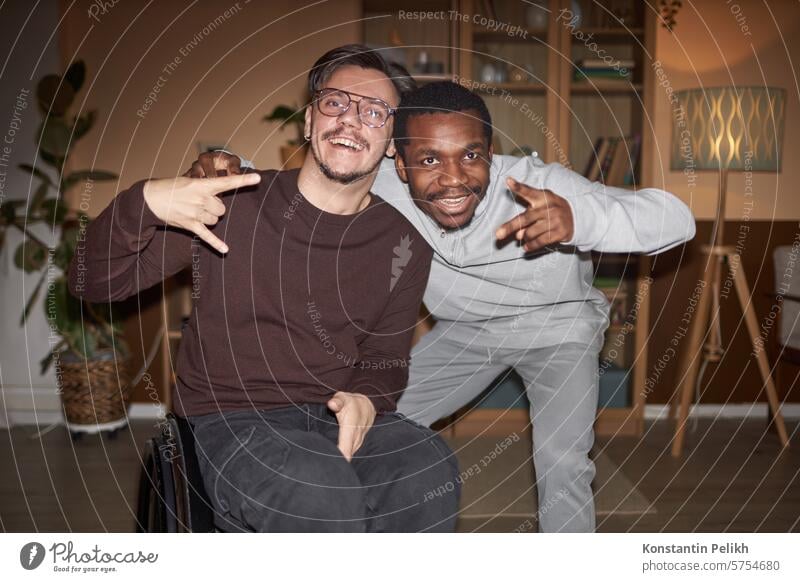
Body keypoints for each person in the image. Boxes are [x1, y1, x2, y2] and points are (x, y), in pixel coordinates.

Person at [194, 78, 696, 533]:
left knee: (564, 462)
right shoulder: (381, 186)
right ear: (399, 159)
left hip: (560, 330)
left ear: (491, 153)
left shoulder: (538, 185)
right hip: (466, 334)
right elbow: (299, 183)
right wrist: (223, 163)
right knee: (357, 422)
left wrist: (581, 218)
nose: (454, 179)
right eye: (430, 160)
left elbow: (676, 219)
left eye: (472, 156)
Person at [68, 45, 461, 533]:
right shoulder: (230, 202)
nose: (350, 120)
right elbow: (92, 283)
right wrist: (144, 202)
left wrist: (367, 398)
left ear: (389, 143)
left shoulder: (403, 244)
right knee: (318, 488)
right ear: (309, 120)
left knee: (426, 470)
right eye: (335, 102)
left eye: (374, 111)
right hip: (232, 417)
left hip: (335, 414)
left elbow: (385, 358)